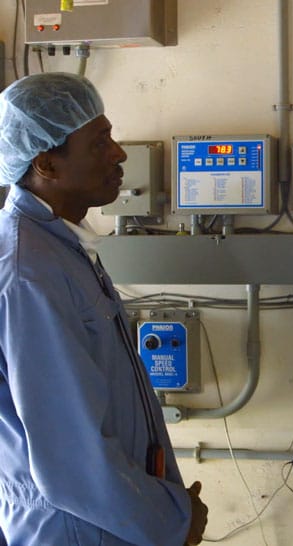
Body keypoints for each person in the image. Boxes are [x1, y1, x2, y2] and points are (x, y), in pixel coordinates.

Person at [0, 73, 208, 545]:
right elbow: (69, 455)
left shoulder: (59, 248)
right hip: (76, 528)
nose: (119, 153)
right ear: (46, 163)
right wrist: (171, 521)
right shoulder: (29, 273)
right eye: (99, 143)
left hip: (104, 520)